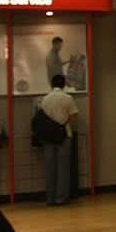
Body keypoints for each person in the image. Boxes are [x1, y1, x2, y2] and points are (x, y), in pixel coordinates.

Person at [40, 74, 78, 205]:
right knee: (63, 168)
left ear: (51, 84)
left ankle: (50, 198)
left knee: (49, 167)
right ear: (64, 84)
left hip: (48, 136)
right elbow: (74, 116)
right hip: (64, 135)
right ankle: (61, 198)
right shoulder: (68, 98)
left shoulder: (45, 99)